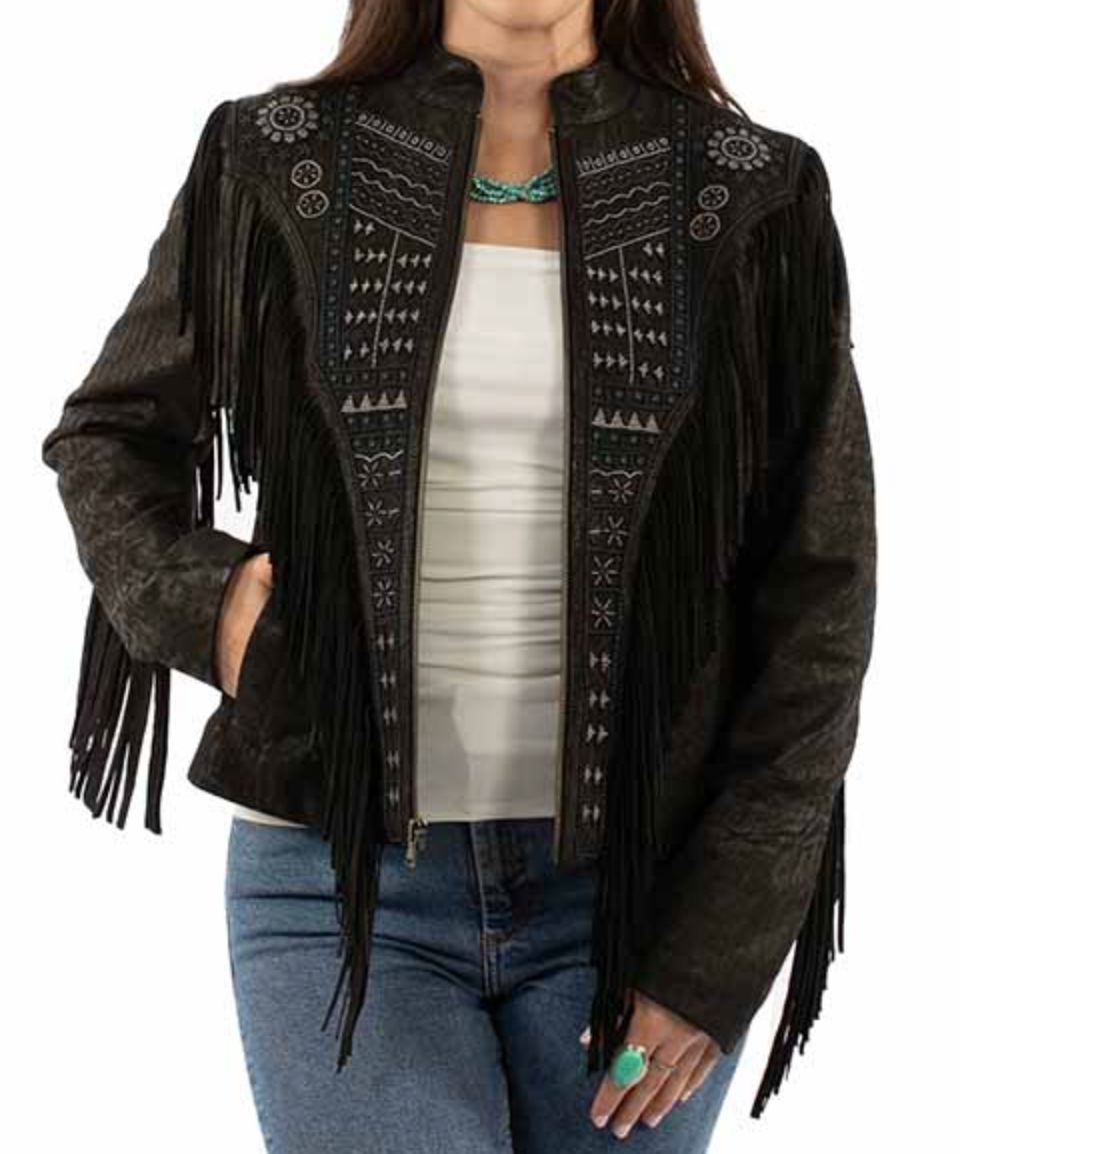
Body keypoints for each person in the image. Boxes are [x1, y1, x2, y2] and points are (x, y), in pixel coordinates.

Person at [40, 0, 877, 1149]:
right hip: (339, 879)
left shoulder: (750, 192)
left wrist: (718, 943)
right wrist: (213, 607)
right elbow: (109, 434)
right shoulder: (278, 158)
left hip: (641, 892)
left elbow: (819, 592)